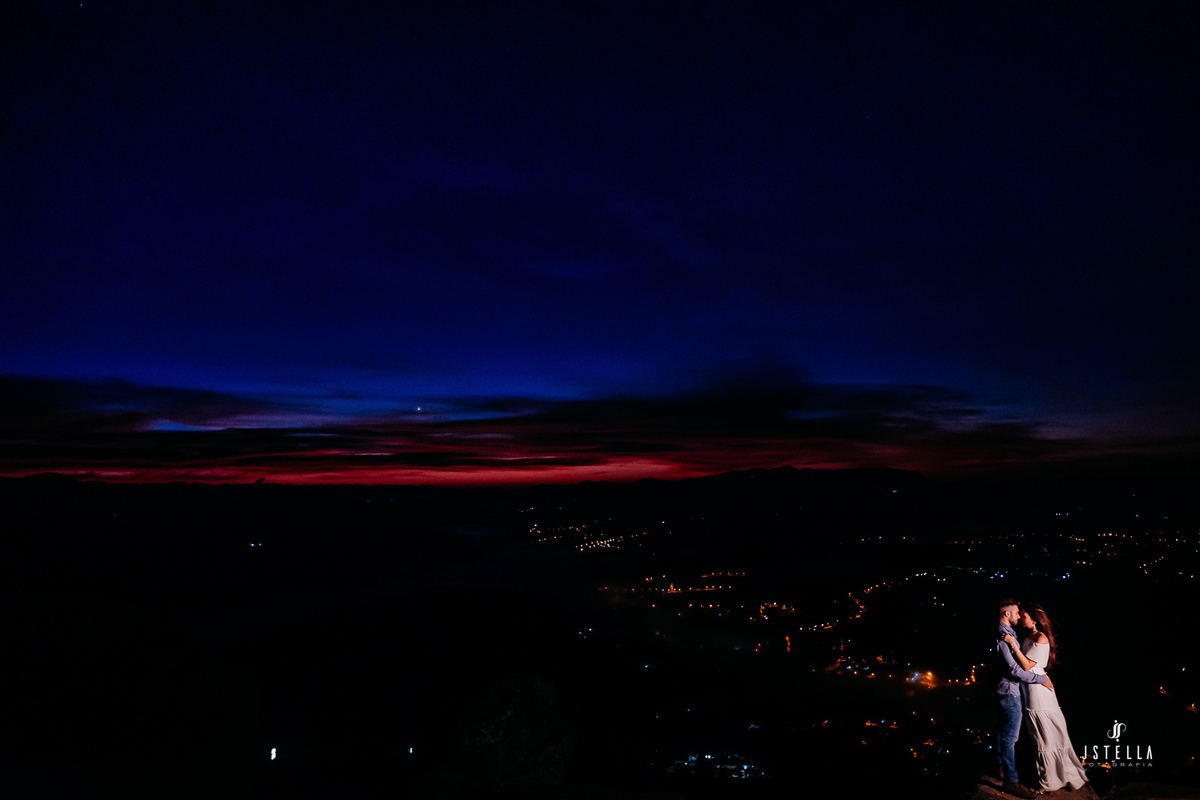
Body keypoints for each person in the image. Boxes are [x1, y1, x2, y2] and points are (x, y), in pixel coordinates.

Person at [1001, 603, 1090, 793]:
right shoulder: (1028, 636)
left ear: (1033, 619)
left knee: (1044, 737)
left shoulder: (1040, 638)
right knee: (1040, 736)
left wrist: (1012, 645)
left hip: (1038, 691)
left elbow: (1026, 666)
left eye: (1023, 615)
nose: (1020, 617)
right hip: (1031, 687)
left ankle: (1048, 783)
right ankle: (1056, 777)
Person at [994, 598, 1054, 799]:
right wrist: (1040, 678)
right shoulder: (1003, 635)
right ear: (1007, 614)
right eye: (1017, 613)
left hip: (1008, 689)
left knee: (1004, 733)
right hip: (1010, 691)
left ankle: (1001, 770)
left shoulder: (1009, 633)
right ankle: (1011, 781)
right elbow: (1014, 669)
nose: (1019, 616)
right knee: (1010, 737)